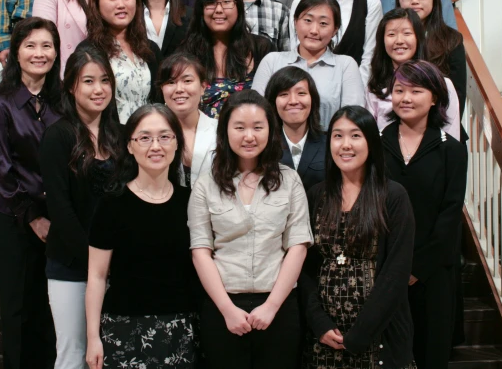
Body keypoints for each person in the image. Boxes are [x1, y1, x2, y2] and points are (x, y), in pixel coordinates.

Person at [188, 89, 313, 369]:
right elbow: (200, 250)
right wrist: (227, 309)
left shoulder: (289, 181)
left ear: (270, 129)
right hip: (223, 307)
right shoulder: (206, 184)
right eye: (239, 127)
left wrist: (271, 306)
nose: (249, 136)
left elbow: (297, 246)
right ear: (225, 131)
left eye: (258, 127)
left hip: (278, 306)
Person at [299, 105, 416, 369]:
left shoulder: (393, 196)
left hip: (378, 335)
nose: (345, 145)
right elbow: (304, 268)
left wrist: (360, 335)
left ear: (371, 142)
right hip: (324, 337)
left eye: (355, 135)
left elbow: (396, 274)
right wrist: (319, 324)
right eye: (337, 136)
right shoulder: (316, 195)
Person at [85, 105, 199, 369]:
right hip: (123, 328)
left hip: (181, 329)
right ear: (129, 146)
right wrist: (93, 338)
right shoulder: (112, 203)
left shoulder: (190, 201)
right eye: (145, 138)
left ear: (176, 144)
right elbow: (97, 276)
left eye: (165, 136)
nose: (155, 146)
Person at [0, 17, 62, 369]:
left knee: (50, 310)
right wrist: (33, 218)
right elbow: (4, 173)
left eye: (46, 45)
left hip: (58, 220)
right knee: (17, 312)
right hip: (15, 222)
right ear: (15, 52)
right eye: (30, 45)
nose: (39, 53)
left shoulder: (62, 102)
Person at [40, 42, 123, 369]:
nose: (99, 89)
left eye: (104, 80)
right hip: (71, 266)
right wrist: (94, 263)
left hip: (115, 266)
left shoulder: (120, 135)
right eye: (88, 81)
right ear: (72, 86)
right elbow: (60, 210)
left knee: (110, 355)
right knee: (74, 355)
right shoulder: (57, 136)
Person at [381, 60, 467, 369]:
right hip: (382, 272)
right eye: (399, 90)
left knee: (430, 355)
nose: (405, 98)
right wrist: (390, 269)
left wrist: (417, 269)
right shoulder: (376, 145)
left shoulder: (452, 151)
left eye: (416, 91)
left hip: (432, 274)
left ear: (435, 98)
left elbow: (449, 215)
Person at [253, 0, 364, 130]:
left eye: (323, 23)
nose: (314, 30)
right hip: (277, 146)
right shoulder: (272, 61)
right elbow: (256, 114)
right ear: (295, 22)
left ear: (335, 29)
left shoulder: (345, 65)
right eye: (308, 20)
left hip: (328, 147)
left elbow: (353, 119)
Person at [180, 0, 274, 118]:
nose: (218, 9)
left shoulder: (261, 48)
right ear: (201, 9)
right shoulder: (186, 52)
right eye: (211, 2)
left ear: (239, 7)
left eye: (226, 2)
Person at [365, 8, 459, 140]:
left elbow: (451, 137)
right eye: (391, 34)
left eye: (407, 33)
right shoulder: (375, 87)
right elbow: (370, 138)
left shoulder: (442, 84)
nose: (399, 40)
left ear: (418, 38)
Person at [86, 0, 163, 123]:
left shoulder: (150, 49)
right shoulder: (89, 51)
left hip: (148, 136)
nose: (121, 4)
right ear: (97, 4)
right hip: (110, 138)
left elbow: (159, 98)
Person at [396, 0, 465, 115]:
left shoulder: (451, 40)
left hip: (442, 123)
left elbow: (457, 96)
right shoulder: (392, 40)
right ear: (398, 0)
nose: (414, 1)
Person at [157, 53, 218, 187]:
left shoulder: (220, 131)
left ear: (203, 87)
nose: (179, 89)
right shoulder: (152, 133)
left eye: (187, 81)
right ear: (162, 89)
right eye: (171, 82)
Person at [264, 66, 325, 193]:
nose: (293, 101)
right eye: (284, 94)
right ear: (273, 102)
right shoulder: (264, 144)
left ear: (313, 100)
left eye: (301, 93)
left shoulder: (329, 143)